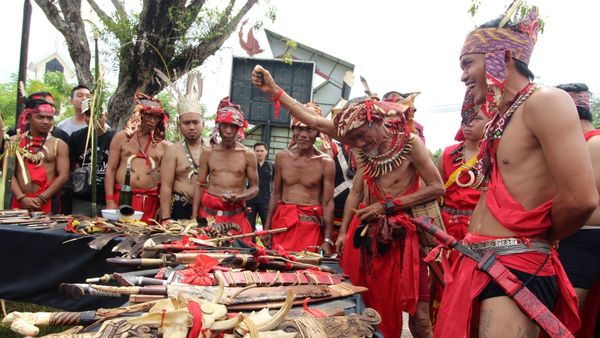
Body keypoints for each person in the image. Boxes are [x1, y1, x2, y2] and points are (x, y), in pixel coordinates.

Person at [434, 6, 598, 337]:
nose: (463, 76)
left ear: (502, 56)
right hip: (483, 261)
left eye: (468, 64)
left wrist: (538, 240)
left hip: (516, 266)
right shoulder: (503, 117)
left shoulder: (546, 101)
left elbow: (581, 199)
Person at [252, 69, 444, 338]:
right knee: (366, 303)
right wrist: (276, 92)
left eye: (364, 136)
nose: (360, 144)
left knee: (420, 316)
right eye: (354, 140)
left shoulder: (411, 144)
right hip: (370, 236)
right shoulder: (359, 138)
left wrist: (388, 206)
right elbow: (314, 121)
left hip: (403, 237)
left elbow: (437, 187)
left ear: (378, 122)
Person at [556, 82, 600, 337]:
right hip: (583, 236)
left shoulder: (589, 145)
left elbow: (584, 201)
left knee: (568, 315)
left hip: (582, 236)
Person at [264, 104, 335, 254]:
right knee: (278, 268)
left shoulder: (326, 162)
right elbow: (275, 194)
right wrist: (267, 228)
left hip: (310, 229)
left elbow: (328, 203)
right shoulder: (282, 157)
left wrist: (327, 239)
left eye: (309, 129)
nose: (303, 134)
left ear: (318, 132)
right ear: (293, 130)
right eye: (299, 128)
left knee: (307, 273)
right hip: (282, 224)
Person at [191, 97, 258, 239]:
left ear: (238, 128)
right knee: (205, 253)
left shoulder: (248, 154)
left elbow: (255, 188)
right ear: (218, 127)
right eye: (224, 126)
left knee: (237, 256)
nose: (228, 131)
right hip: (208, 214)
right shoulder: (209, 152)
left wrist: (238, 197)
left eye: (232, 126)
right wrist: (194, 217)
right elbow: (199, 184)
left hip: (235, 214)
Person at [104, 93, 170, 222]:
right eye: (149, 115)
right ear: (139, 114)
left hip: (149, 202)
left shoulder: (164, 146)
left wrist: (163, 206)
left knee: (143, 239)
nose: (152, 121)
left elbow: (166, 182)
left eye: (156, 117)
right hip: (121, 199)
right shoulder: (121, 137)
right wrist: (110, 199)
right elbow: (110, 170)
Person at [436, 103, 489, 242]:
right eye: (465, 119)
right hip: (447, 227)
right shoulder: (447, 154)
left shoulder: (496, 154)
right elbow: (436, 190)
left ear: (491, 122)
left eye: (476, 119)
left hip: (480, 227)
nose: (468, 124)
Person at [11, 92, 69, 214]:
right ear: (28, 118)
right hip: (18, 201)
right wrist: (21, 197)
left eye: (49, 118)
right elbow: (8, 175)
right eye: (40, 117)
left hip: (47, 202)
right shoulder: (13, 142)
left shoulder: (59, 145)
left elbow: (63, 176)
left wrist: (41, 198)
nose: (46, 122)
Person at [159, 86, 206, 222]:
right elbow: (166, 186)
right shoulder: (172, 151)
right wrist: (166, 217)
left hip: (205, 208)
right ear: (179, 126)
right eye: (186, 123)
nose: (191, 127)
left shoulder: (212, 150)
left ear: (203, 124)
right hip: (180, 207)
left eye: (195, 122)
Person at [69, 98, 115, 215]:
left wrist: (111, 199)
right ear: (84, 116)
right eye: (89, 114)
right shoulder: (76, 138)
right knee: (78, 229)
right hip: (83, 199)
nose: (93, 118)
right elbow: (73, 167)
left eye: (97, 114)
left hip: (108, 199)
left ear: (106, 115)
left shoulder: (115, 137)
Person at [245, 141, 274, 230]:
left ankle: (267, 243)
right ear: (254, 152)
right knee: (249, 225)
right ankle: (250, 243)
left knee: (268, 224)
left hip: (266, 200)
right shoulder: (249, 165)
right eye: (257, 151)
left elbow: (275, 183)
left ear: (266, 152)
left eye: (262, 151)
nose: (259, 153)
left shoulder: (271, 166)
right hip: (250, 200)